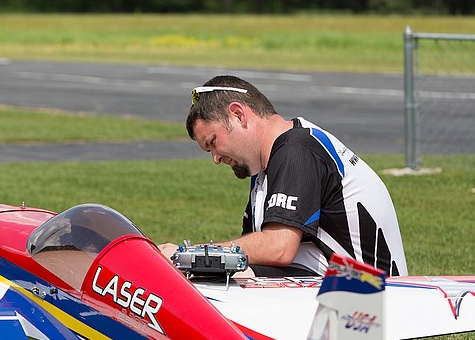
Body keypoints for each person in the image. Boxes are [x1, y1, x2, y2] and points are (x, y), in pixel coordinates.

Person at [159, 75, 407, 278]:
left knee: (213, 278)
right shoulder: (267, 166)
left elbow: (278, 248)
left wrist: (187, 254)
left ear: (238, 115)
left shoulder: (296, 150)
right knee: (211, 275)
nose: (215, 158)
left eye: (213, 142)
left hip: (363, 300)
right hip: (350, 293)